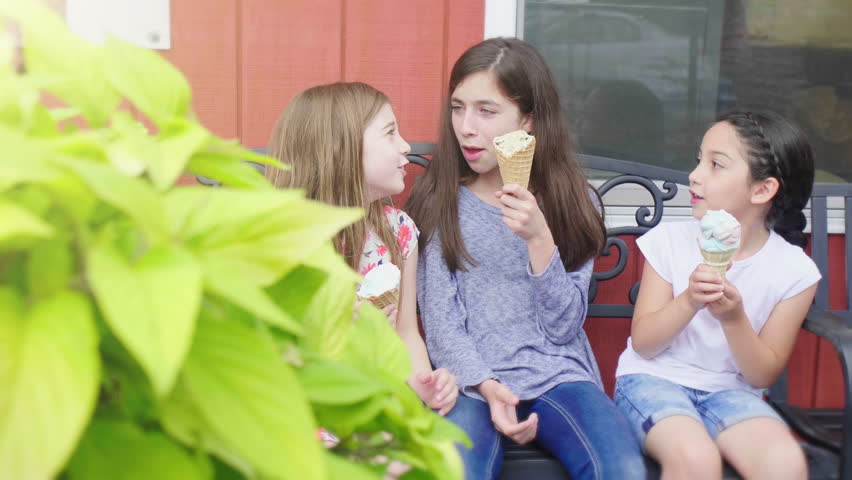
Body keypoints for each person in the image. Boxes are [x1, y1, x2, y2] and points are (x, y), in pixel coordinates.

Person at [405, 37, 646, 480]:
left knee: (624, 469)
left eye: (486, 110)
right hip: (470, 383)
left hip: (559, 376)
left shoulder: (574, 203)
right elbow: (441, 323)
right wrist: (486, 384)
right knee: (453, 472)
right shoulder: (441, 201)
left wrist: (540, 240)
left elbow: (563, 326)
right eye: (458, 108)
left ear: (529, 121)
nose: (466, 127)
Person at [614, 110, 820, 480]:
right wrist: (689, 301)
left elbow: (760, 375)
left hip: (732, 392)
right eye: (699, 160)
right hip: (653, 381)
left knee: (784, 463)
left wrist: (734, 318)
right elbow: (644, 344)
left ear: (762, 190)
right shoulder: (671, 242)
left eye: (716, 165)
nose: (695, 175)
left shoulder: (794, 272)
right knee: (695, 459)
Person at [265, 82, 458, 416]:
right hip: (301, 411)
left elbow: (407, 334)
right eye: (390, 133)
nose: (405, 146)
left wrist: (423, 384)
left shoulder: (399, 232)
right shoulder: (281, 237)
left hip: (377, 405)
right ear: (343, 148)